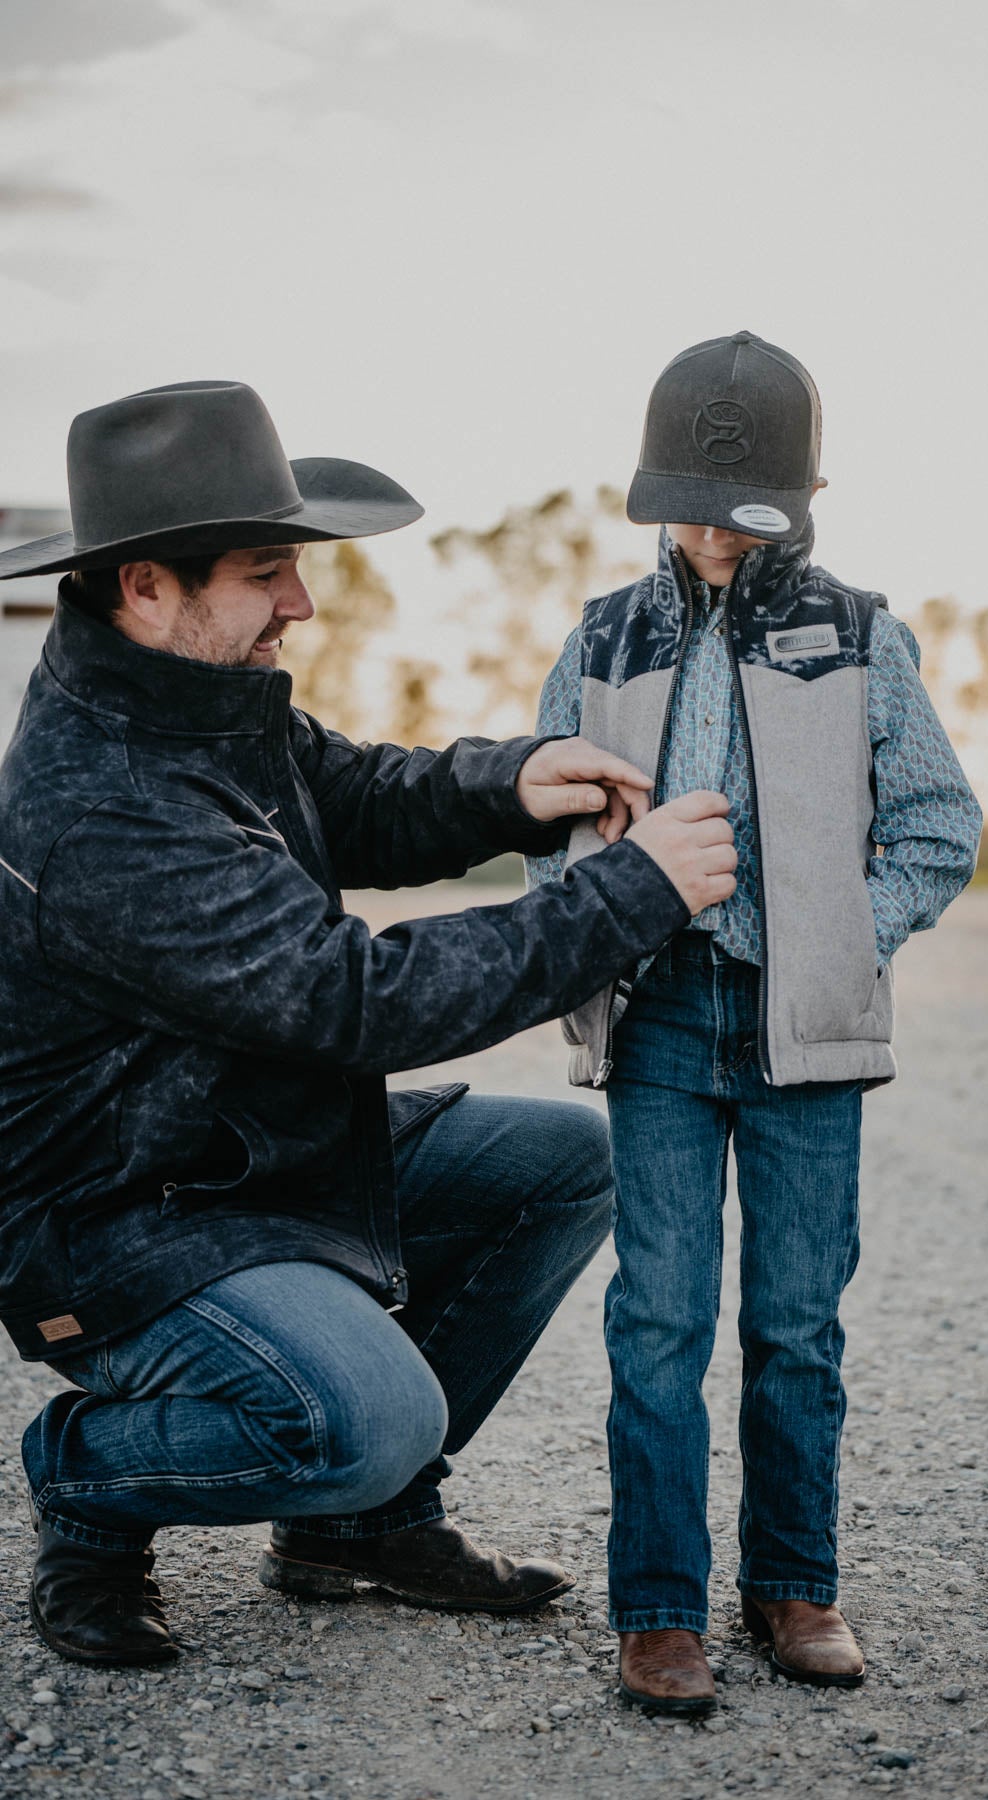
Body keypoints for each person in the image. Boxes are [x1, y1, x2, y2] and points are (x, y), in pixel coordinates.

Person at [0, 378, 738, 1668]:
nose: (299, 600)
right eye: (266, 571)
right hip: (120, 1218)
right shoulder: (101, 808)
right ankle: (90, 1480)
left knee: (564, 1166)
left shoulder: (203, 697)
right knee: (363, 1420)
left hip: (244, 1151)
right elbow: (356, 998)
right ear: (145, 589)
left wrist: (510, 782)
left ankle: (358, 1533)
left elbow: (357, 796)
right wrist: (635, 892)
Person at [528, 331, 984, 1713]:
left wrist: (851, 933)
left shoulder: (859, 635)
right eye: (695, 504)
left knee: (796, 1324)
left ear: (803, 495)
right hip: (659, 1018)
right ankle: (658, 1609)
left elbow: (936, 824)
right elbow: (546, 824)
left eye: (747, 509)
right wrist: (587, 917)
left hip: (806, 1038)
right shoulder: (603, 636)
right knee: (657, 1320)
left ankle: (796, 1586)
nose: (717, 533)